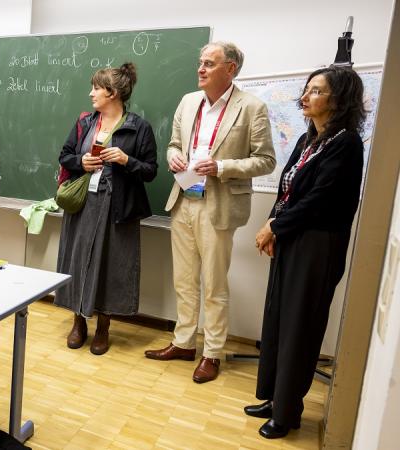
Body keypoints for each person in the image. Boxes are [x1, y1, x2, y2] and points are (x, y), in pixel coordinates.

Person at [144, 42, 276, 383]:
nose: (200, 69)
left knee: (214, 285)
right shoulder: (189, 102)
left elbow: (266, 160)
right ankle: (184, 342)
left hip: (218, 206)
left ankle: (212, 352)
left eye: (208, 63)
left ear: (230, 69)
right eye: (199, 62)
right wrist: (173, 156)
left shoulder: (252, 107)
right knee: (184, 281)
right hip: (184, 198)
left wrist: (222, 166)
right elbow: (174, 143)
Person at [246, 66, 366, 439]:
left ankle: (287, 413)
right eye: (307, 89)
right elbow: (287, 191)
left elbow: (319, 200)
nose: (305, 97)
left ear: (338, 99)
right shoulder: (306, 139)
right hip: (292, 237)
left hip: (317, 244)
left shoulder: (347, 143)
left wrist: (275, 227)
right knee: (278, 319)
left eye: (316, 91)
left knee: (300, 326)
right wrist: (271, 226)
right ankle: (272, 397)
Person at [55, 63, 158, 356]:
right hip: (83, 204)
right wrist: (81, 162)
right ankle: (78, 321)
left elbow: (150, 171)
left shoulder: (139, 127)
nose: (91, 94)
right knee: (76, 260)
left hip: (117, 207)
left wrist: (127, 160)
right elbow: (65, 155)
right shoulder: (86, 122)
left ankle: (103, 327)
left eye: (96, 88)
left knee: (111, 265)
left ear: (112, 93)